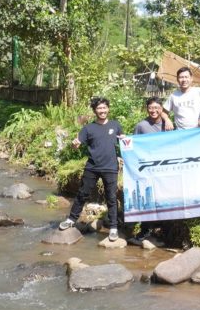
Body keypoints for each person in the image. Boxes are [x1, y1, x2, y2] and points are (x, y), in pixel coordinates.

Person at [59, 97, 124, 242]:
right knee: (82, 194)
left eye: (104, 107)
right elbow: (77, 143)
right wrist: (75, 144)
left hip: (110, 167)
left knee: (111, 198)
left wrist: (124, 148)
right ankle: (71, 220)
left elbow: (123, 142)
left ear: (108, 109)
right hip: (92, 167)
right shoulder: (88, 128)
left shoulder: (115, 125)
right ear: (95, 111)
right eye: (99, 108)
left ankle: (113, 228)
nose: (102, 110)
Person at [132, 97, 168, 243]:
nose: (153, 111)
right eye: (150, 108)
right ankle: (145, 229)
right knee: (147, 198)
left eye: (156, 107)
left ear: (161, 109)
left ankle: (165, 229)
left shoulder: (168, 124)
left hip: (165, 168)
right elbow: (133, 145)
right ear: (147, 109)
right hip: (147, 169)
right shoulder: (141, 126)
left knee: (165, 197)